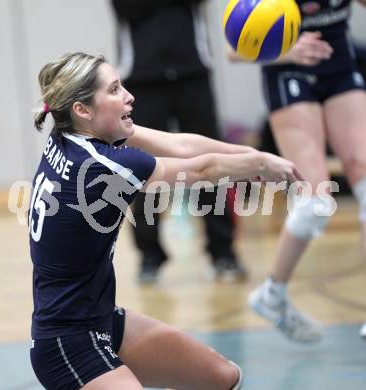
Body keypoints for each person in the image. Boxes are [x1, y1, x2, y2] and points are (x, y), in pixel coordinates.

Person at [29, 52, 301, 389]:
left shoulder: (71, 134)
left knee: (222, 376)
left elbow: (181, 144)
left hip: (102, 321)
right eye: (114, 90)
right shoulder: (103, 164)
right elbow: (202, 169)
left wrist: (258, 156)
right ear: (82, 109)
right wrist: (260, 166)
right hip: (67, 344)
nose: (129, 95)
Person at [229, 0, 366, 342]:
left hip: (340, 68)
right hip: (287, 71)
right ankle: (272, 295)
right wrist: (287, 53)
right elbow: (234, 52)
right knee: (315, 203)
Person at [111, 0, 247, 284]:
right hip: (143, 76)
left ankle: (223, 251)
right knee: (142, 170)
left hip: (192, 71)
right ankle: (149, 255)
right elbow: (127, 8)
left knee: (213, 167)